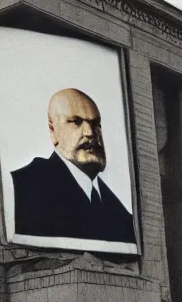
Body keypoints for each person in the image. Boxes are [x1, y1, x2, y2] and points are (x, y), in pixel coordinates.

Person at [10, 88, 135, 244]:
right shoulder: (24, 185)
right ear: (52, 129)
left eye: (96, 123)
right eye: (76, 122)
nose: (90, 132)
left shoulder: (122, 216)